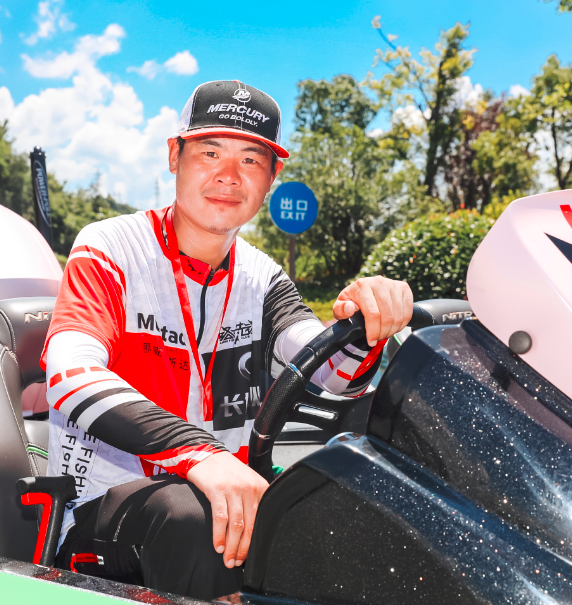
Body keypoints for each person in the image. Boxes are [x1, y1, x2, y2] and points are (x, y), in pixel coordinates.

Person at [40, 80, 414, 599]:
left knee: (350, 508)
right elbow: (69, 375)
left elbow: (330, 372)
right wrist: (201, 455)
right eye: (210, 152)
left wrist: (367, 319)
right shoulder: (109, 246)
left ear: (272, 178)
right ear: (175, 156)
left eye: (251, 160)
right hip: (102, 509)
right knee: (195, 516)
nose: (228, 176)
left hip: (228, 493)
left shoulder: (262, 275)